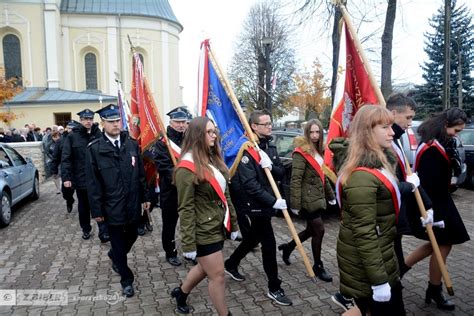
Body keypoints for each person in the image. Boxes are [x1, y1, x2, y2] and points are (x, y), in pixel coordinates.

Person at [336, 105, 405, 316]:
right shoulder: (361, 177)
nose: (392, 132)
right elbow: (365, 233)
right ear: (367, 131)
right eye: (385, 127)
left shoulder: (379, 164)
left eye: (391, 126)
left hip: (380, 258)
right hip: (368, 268)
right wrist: (379, 281)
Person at [224, 110, 293, 306]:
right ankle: (274, 287)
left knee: (253, 238)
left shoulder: (269, 146)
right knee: (268, 244)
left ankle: (231, 263)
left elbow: (280, 173)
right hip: (254, 204)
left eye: (270, 123)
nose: (270, 126)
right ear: (254, 126)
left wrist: (270, 166)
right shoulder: (246, 149)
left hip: (267, 202)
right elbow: (250, 185)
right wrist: (272, 202)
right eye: (265, 124)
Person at [403, 107, 469, 310]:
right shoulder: (431, 147)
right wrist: (430, 209)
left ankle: (423, 282)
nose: (456, 136)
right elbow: (429, 182)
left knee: (440, 244)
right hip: (434, 203)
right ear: (445, 125)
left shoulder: (439, 142)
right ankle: (433, 287)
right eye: (456, 131)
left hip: (441, 200)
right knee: (443, 243)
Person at [171, 117, 239, 315]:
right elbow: (185, 208)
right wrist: (189, 244)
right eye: (209, 132)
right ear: (197, 135)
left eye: (214, 131)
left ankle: (181, 293)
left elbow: (225, 194)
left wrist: (233, 224)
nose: (214, 135)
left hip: (217, 226)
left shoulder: (211, 159)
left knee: (204, 267)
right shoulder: (186, 167)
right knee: (217, 275)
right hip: (202, 231)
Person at [86, 104, 150, 298]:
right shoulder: (95, 149)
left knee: (132, 234)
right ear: (102, 123)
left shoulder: (130, 144)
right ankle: (126, 280)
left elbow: (140, 174)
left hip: (132, 202)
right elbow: (93, 183)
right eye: (111, 121)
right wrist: (96, 211)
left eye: (117, 121)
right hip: (111, 205)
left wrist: (145, 197)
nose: (116, 124)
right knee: (118, 243)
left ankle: (115, 255)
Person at [277, 119, 336, 282]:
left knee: (311, 231)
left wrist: (331, 196)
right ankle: (318, 266)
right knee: (320, 230)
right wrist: (295, 205)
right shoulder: (300, 152)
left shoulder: (319, 151)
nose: (315, 135)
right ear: (307, 133)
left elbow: (322, 177)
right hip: (306, 200)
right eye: (312, 132)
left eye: (318, 132)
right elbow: (296, 179)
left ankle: (288, 248)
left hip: (317, 198)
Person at [62, 108, 108, 241]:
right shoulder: (72, 136)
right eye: (85, 119)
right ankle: (86, 229)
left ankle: (103, 230)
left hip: (98, 177)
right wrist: (66, 177)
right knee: (84, 206)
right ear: (80, 120)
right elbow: (66, 158)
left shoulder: (98, 133)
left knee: (100, 203)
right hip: (81, 177)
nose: (88, 121)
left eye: (90, 119)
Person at [149, 106, 188, 266]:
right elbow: (164, 167)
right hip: (170, 191)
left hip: (188, 191)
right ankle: (170, 252)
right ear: (170, 122)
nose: (181, 125)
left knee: (188, 222)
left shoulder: (190, 140)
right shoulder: (162, 142)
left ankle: (190, 251)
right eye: (177, 122)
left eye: (183, 122)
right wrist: (185, 178)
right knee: (169, 225)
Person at [51, 121, 77, 212]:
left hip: (79, 170)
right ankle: (69, 200)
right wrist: (54, 170)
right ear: (67, 129)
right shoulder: (61, 141)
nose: (71, 131)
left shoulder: (79, 139)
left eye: (73, 129)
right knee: (66, 192)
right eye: (69, 128)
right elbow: (55, 157)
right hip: (67, 170)